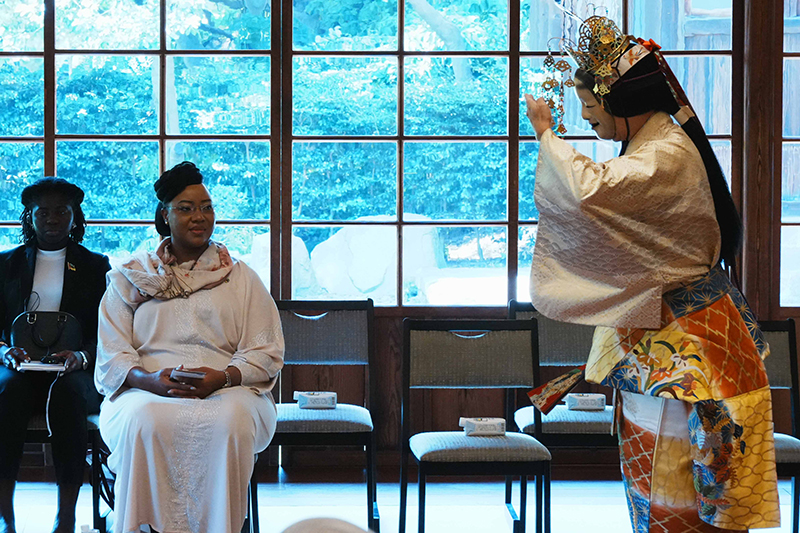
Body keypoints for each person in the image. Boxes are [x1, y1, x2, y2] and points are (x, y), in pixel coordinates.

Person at [524, 16, 780, 533]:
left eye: (592, 108)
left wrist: (547, 135)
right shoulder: (656, 144)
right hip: (674, 346)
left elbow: (591, 191)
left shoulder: (663, 153)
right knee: (656, 486)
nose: (588, 119)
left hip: (689, 353)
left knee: (678, 492)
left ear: (623, 105)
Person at [94, 161, 284, 533]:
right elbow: (111, 354)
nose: (199, 217)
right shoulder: (131, 278)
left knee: (230, 420)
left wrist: (224, 377)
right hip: (145, 388)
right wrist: (150, 381)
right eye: (186, 208)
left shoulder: (241, 278)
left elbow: (267, 350)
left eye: (206, 207)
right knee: (144, 419)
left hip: (230, 387)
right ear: (164, 216)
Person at [0, 178, 111, 533]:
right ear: (28, 217)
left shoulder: (96, 266)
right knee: (6, 392)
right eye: (42, 212)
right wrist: (4, 352)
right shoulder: (7, 264)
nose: (52, 219)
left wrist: (81, 355)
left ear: (74, 216)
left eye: (61, 211)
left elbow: (108, 330)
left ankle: (66, 516)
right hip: (18, 367)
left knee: (67, 397)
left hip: (72, 371)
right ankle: (5, 516)